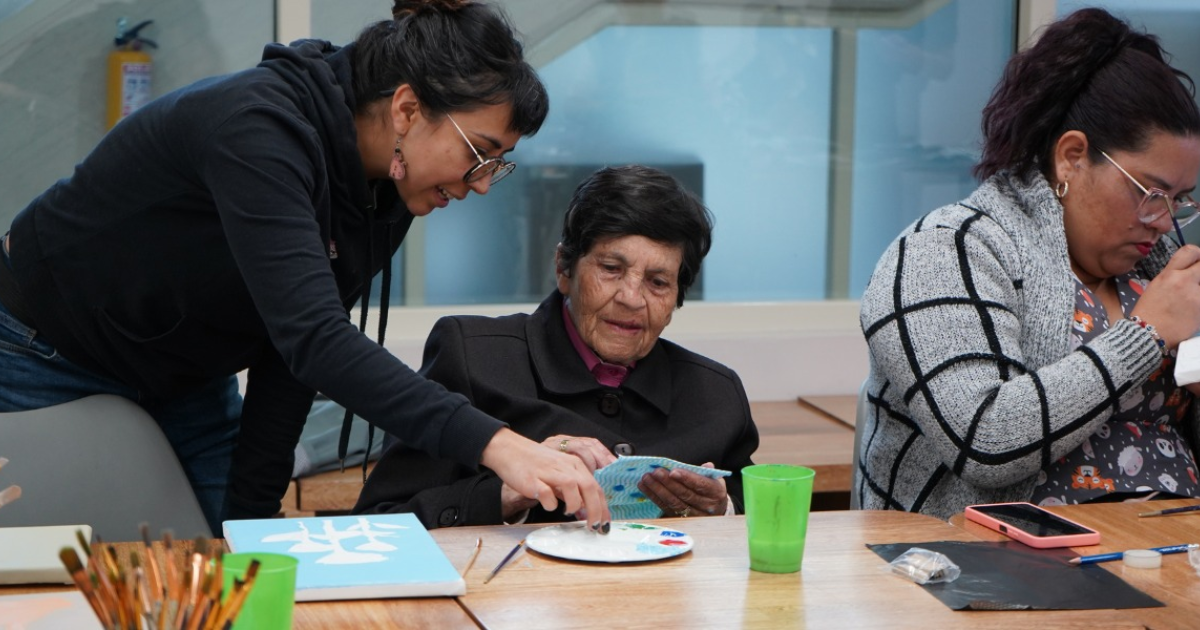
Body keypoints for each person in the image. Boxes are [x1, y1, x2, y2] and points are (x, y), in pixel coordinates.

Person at [0, 0, 610, 535]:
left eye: (496, 165)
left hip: (183, 374)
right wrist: (499, 445)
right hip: (41, 349)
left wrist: (251, 527)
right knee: (48, 575)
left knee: (239, 562)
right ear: (405, 109)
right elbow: (316, 339)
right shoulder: (257, 129)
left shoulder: (386, 187)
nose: (480, 185)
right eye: (479, 153)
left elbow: (288, 360)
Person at [857, 8, 1200, 519]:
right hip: (994, 569)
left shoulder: (1163, 266)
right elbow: (984, 441)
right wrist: (1146, 334)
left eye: (1181, 200)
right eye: (1151, 193)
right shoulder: (948, 250)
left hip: (1172, 555)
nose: (1162, 219)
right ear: (1072, 156)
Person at [354, 165, 759, 527]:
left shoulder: (716, 396)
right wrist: (504, 495)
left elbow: (760, 514)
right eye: (611, 269)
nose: (632, 298)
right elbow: (378, 523)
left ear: (675, 300)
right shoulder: (472, 359)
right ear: (564, 269)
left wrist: (723, 512)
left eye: (657, 282)